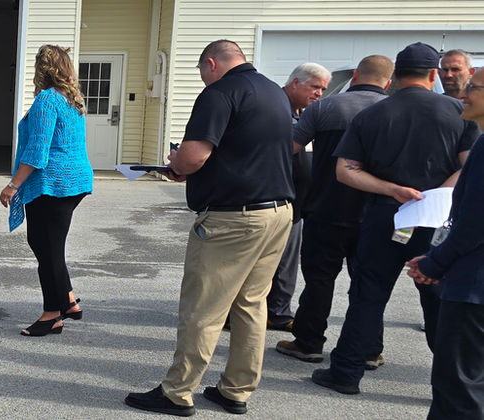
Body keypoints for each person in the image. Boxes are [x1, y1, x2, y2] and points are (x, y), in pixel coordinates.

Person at [124, 40, 294, 416]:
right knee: (251, 305)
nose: (202, 79)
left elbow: (194, 155)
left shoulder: (219, 94)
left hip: (233, 219)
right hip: (278, 212)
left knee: (204, 308)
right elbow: (246, 151)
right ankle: (236, 390)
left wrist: (176, 161)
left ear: (212, 64)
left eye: (202, 72)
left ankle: (176, 392)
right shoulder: (274, 92)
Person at [310, 42, 478, 396]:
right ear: (434, 75)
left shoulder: (371, 115)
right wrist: (437, 194)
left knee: (368, 292)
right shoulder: (457, 112)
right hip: (436, 220)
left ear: (394, 77)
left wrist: (392, 189)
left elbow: (346, 171)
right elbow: (468, 166)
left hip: (388, 216)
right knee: (437, 297)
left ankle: (346, 372)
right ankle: (449, 383)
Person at [276, 55, 393, 366]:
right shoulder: (394, 111)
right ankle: (369, 350)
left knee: (319, 280)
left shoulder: (324, 107)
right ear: (388, 82)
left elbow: (289, 149)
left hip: (326, 209)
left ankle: (308, 343)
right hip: (375, 213)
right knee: (367, 283)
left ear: (355, 76)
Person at [0, 45, 93, 337]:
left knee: (46, 247)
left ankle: (52, 314)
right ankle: (67, 298)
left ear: (43, 69)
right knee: (49, 246)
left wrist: (13, 185)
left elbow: (37, 152)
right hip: (74, 182)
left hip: (53, 184)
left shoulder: (48, 100)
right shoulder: (72, 99)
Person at [408, 68, 484, 419]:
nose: (463, 93)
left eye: (472, 87)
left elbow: (473, 224)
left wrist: (435, 264)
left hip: (473, 290)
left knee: (458, 391)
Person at [257, 62, 329, 331]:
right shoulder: (275, 109)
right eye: (315, 87)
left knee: (287, 262)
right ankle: (251, 312)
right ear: (295, 82)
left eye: (323, 89)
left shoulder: (300, 114)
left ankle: (277, 312)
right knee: (264, 262)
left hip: (295, 204)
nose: (319, 93)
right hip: (272, 200)